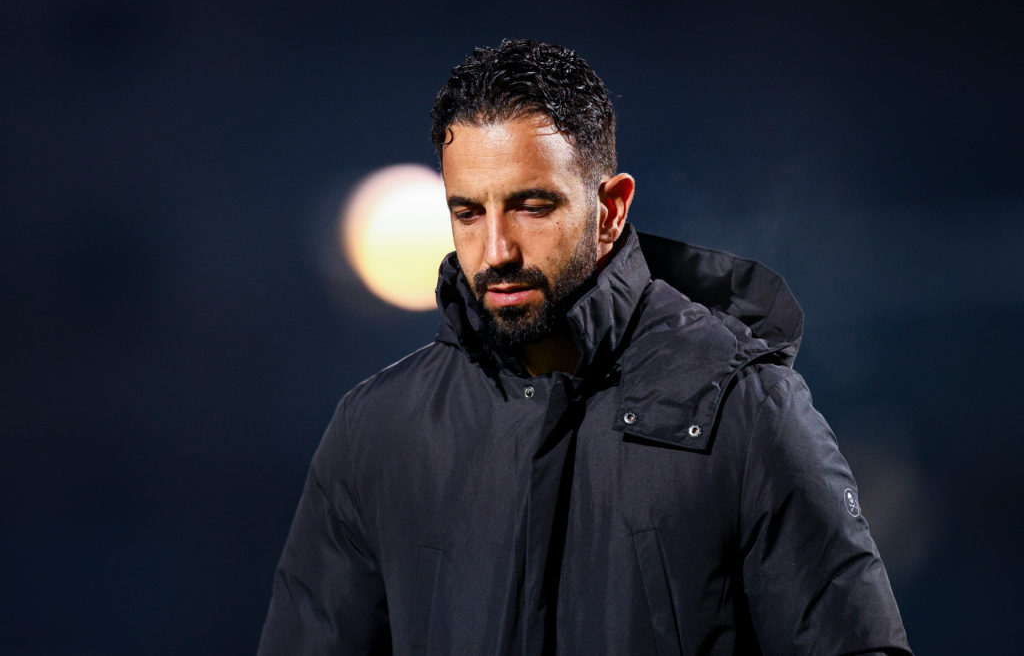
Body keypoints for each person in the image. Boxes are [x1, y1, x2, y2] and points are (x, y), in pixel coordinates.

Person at [258, 39, 912, 655]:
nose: (496, 251)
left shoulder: (746, 412)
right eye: (468, 212)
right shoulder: (378, 431)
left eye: (531, 206)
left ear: (611, 209)